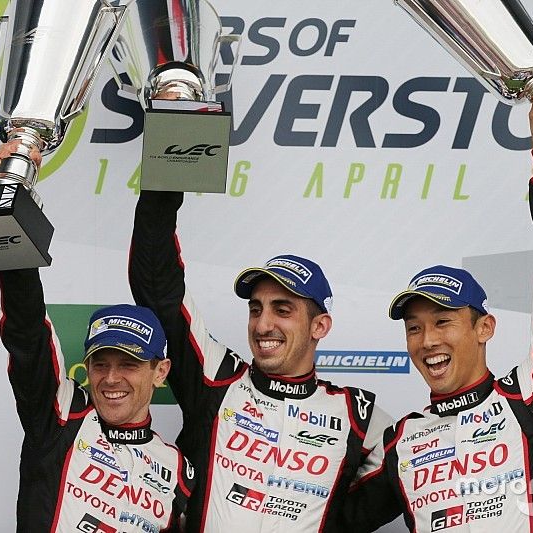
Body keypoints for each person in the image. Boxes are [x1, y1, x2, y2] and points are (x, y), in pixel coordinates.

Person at [344, 85, 533, 532]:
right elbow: (324, 521)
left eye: (442, 322)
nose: (427, 340)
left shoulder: (530, 401)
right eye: (414, 328)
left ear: (484, 327)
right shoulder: (405, 440)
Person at [127, 193, 393, 529]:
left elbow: (413, 469)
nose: (263, 324)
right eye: (256, 309)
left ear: (319, 326)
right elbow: (157, 289)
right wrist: (162, 188)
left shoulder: (357, 413)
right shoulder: (217, 378)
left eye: (282, 310)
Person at [0, 145, 195, 532]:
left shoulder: (179, 470)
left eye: (129, 363)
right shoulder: (62, 418)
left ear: (160, 371)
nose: (111, 378)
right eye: (101, 363)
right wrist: (10, 214)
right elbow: (27, 333)